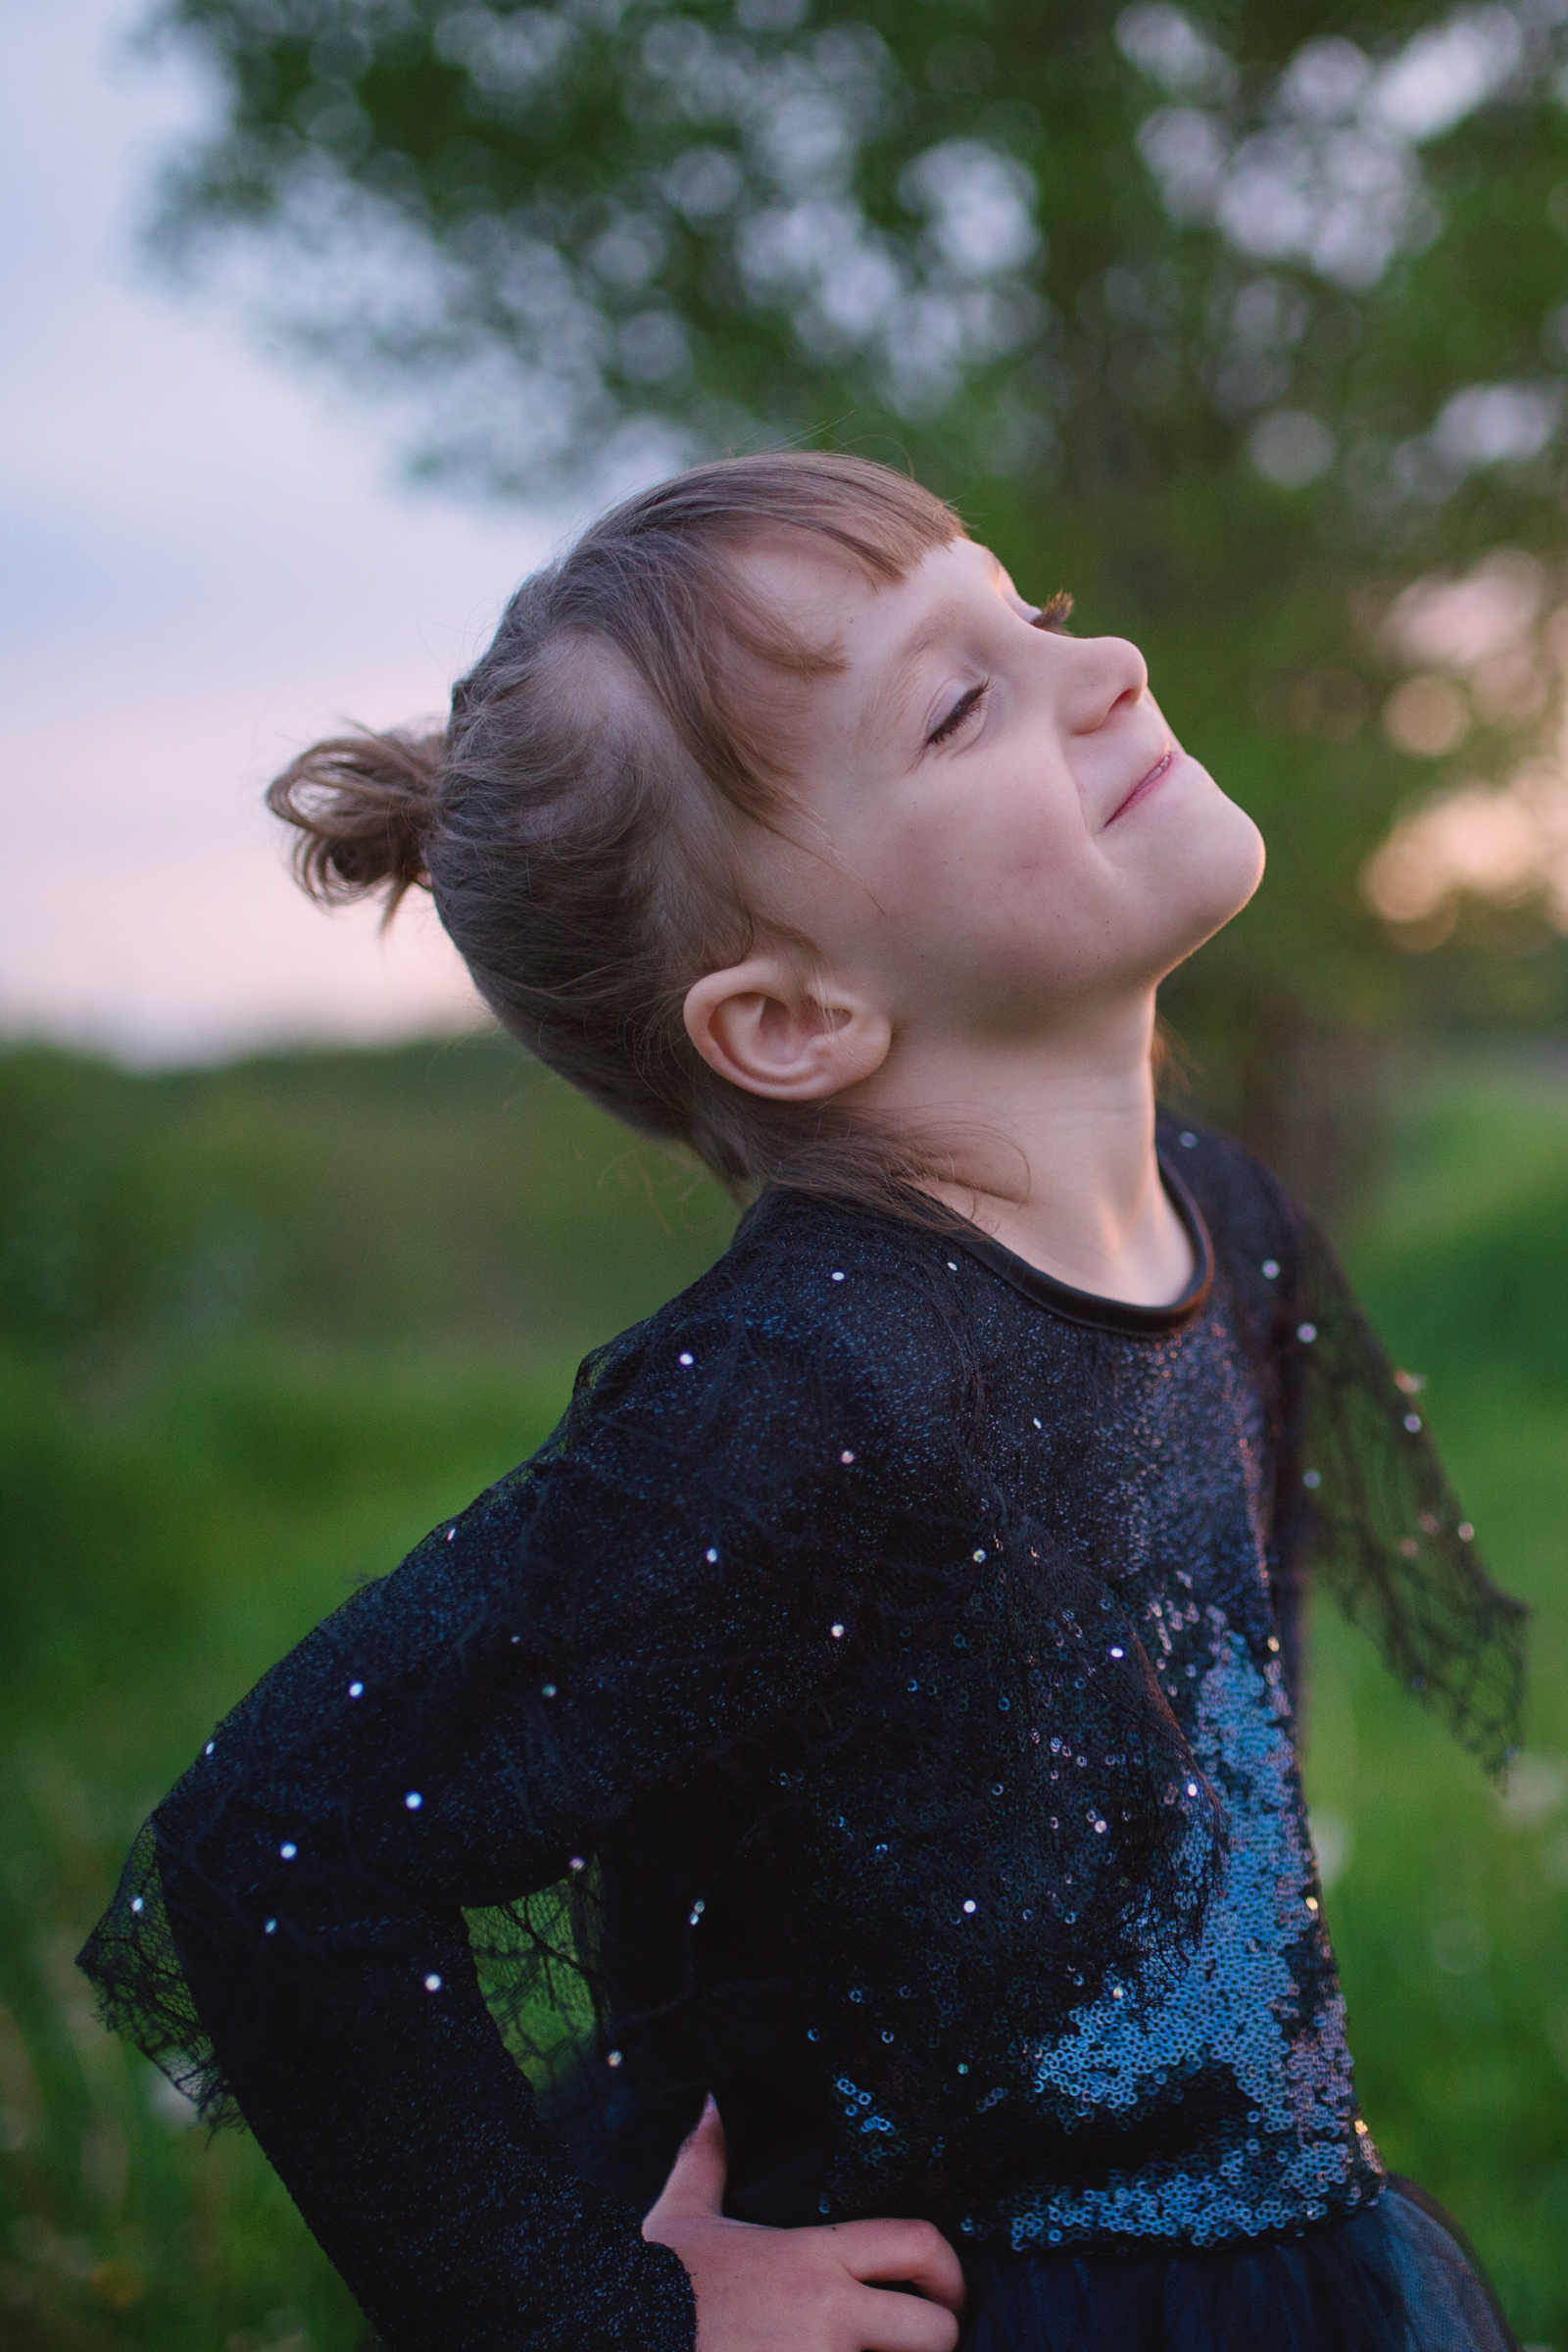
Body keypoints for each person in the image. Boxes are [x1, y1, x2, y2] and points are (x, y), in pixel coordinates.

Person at [80, 454, 1528, 2351]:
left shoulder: (1224, 1224)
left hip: (1272, 2266)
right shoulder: (800, 1395)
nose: (1095, 672)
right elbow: (274, 1847)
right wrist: (608, 2314)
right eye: (957, 705)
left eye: (1035, 614)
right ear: (789, 1019)